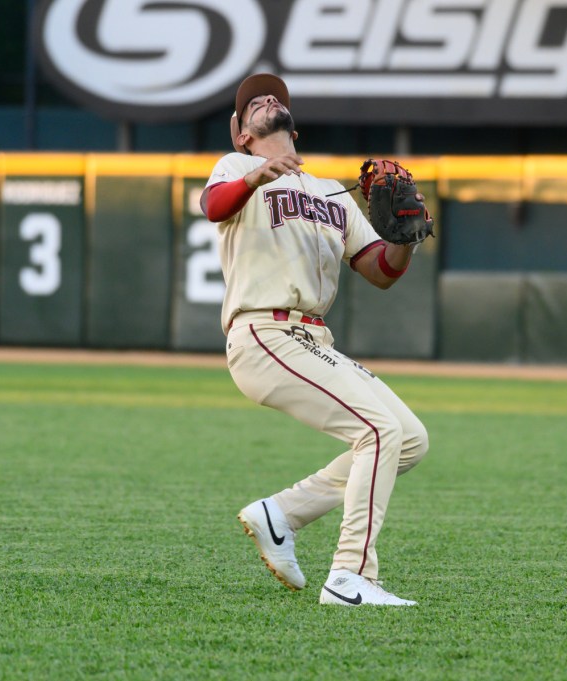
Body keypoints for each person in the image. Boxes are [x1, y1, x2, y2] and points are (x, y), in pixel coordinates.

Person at [200, 73, 429, 607]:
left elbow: (380, 270)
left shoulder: (331, 192)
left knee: (409, 438)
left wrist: (406, 235)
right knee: (377, 430)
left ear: (294, 128)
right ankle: (350, 576)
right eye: (253, 104)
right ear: (242, 134)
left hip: (313, 340)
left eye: (274, 97)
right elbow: (213, 206)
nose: (266, 99)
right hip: (263, 332)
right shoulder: (235, 167)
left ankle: (281, 514)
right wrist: (257, 175)